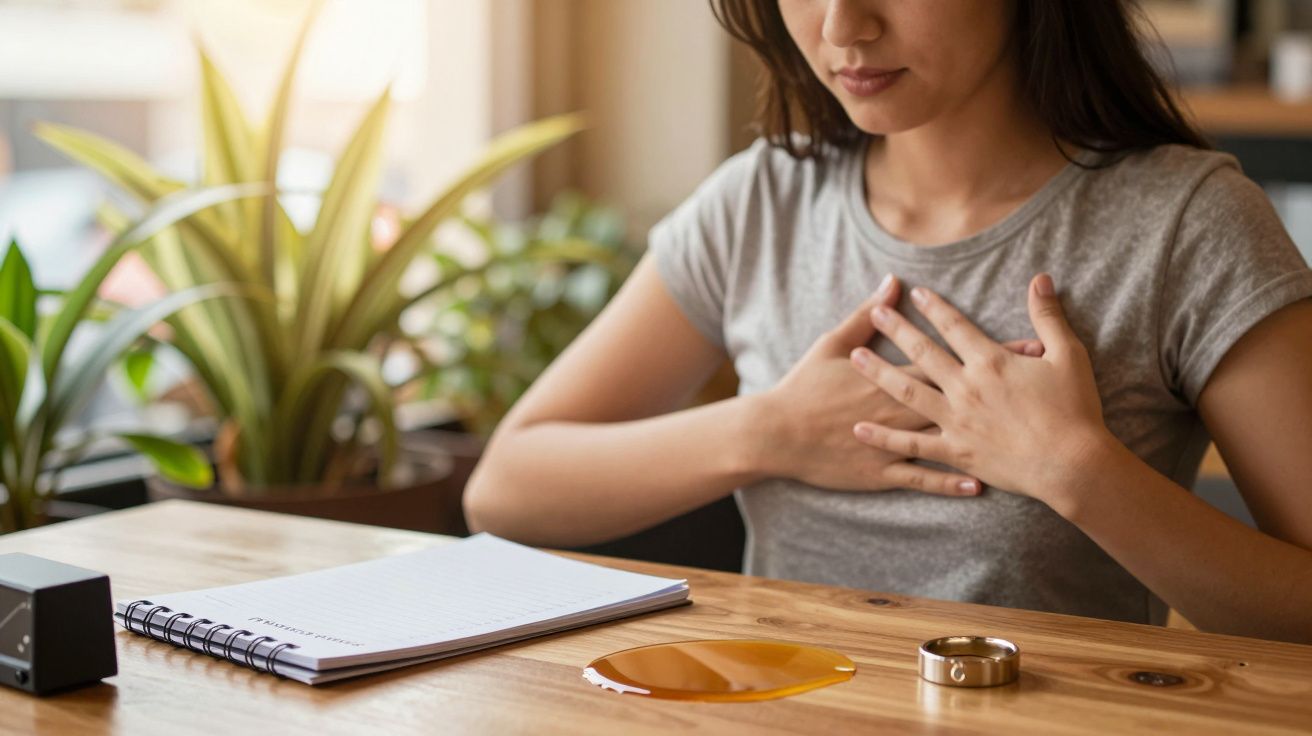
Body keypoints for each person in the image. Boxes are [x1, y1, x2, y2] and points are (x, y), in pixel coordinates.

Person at [464, 0, 1312, 643]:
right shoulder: (762, 202)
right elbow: (505, 490)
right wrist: (770, 431)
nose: (843, 27)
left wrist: (1077, 473)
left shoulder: (1187, 226)